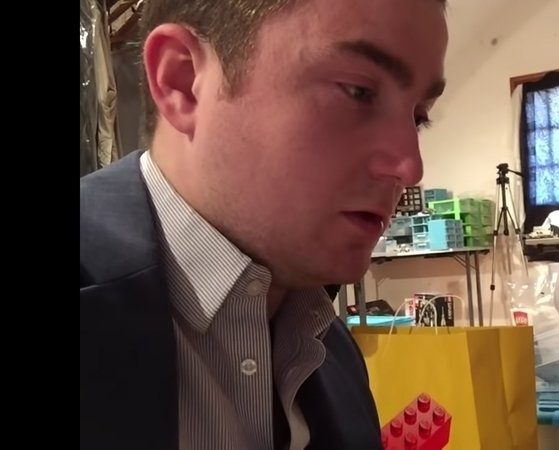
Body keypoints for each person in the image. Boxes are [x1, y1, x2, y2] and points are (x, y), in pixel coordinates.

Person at [79, 0, 448, 449]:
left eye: (419, 117)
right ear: (182, 81)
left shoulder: (331, 351)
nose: (410, 167)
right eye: (358, 92)